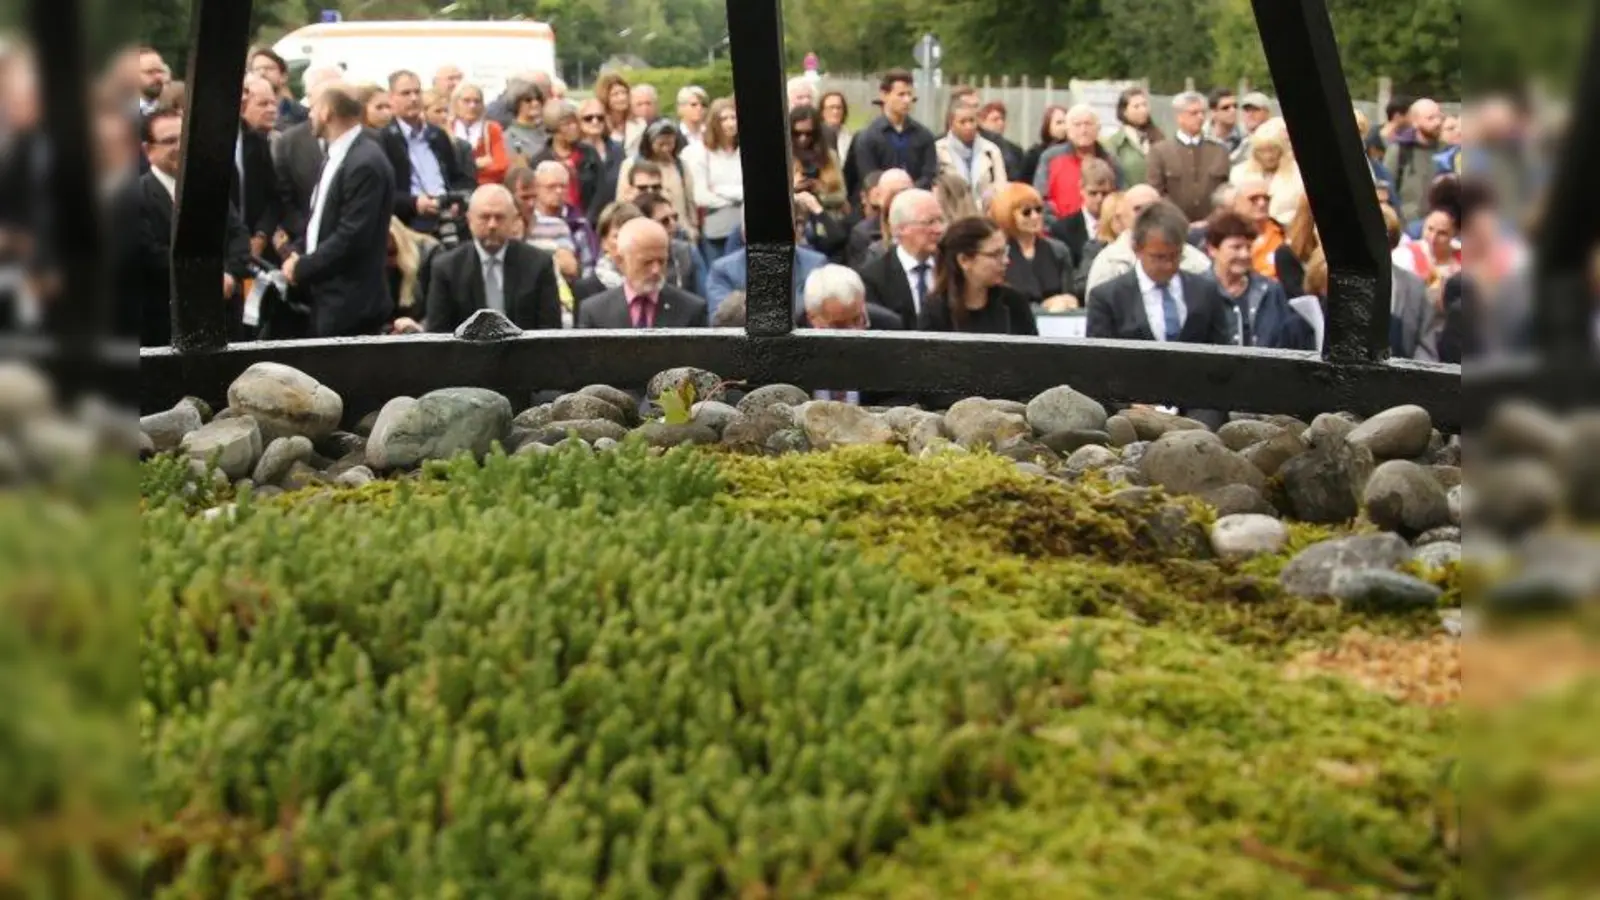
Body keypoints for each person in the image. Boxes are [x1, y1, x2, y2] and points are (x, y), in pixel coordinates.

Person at [122, 105, 250, 346]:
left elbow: (238, 235)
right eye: (170, 141)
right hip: (164, 326)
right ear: (148, 150)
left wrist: (230, 275)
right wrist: (206, 281)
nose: (181, 147)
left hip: (223, 322)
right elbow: (151, 254)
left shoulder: (210, 187)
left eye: (185, 138)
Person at [281, 83, 398, 338]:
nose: (309, 114)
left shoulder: (364, 161)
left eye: (313, 107)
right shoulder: (339, 154)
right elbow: (321, 219)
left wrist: (302, 267)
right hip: (327, 295)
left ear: (326, 111)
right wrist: (298, 252)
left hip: (352, 302)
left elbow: (352, 236)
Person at [1086, 200, 1234, 346]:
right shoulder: (1108, 299)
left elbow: (1222, 350)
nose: (1169, 265)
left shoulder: (1205, 292)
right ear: (1137, 249)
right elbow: (1100, 357)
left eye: (1176, 256)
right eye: (1159, 257)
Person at [423, 183, 562, 332]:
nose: (492, 225)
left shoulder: (538, 265)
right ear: (469, 219)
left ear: (513, 220)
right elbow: (438, 335)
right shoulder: (447, 269)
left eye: (499, 217)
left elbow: (550, 332)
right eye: (485, 217)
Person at [381, 70, 475, 233]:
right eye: (405, 93)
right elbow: (382, 193)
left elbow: (457, 177)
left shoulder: (437, 135)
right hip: (409, 222)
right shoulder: (383, 140)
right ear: (391, 98)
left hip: (447, 215)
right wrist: (414, 203)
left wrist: (456, 200)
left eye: (417, 92)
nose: (413, 98)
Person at [1200, 209, 1305, 349]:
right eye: (1236, 247)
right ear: (1212, 249)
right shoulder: (1198, 291)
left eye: (1249, 247)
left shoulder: (1271, 291)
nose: (1244, 254)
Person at [576, 218, 708, 328]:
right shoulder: (595, 312)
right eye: (647, 262)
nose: (656, 270)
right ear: (621, 261)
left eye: (662, 261)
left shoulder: (691, 310)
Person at [921, 217, 1039, 335]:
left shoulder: (1014, 303)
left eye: (1005, 252)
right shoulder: (936, 311)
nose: (1005, 261)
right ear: (964, 260)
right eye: (995, 255)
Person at [856, 188, 947, 329]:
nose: (939, 229)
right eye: (930, 222)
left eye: (941, 220)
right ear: (901, 228)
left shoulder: (951, 267)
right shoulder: (874, 277)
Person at [989, 183, 1076, 311]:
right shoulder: (997, 255)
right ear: (1007, 215)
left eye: (1038, 210)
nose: (1035, 216)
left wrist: (1067, 301)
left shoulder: (1059, 251)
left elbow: (1070, 294)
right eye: (1026, 212)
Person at [851, 69, 938, 191]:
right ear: (884, 95)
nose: (907, 100)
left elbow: (929, 175)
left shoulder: (924, 136)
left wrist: (909, 192)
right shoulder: (868, 137)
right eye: (901, 95)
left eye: (909, 94)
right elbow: (868, 177)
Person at [681, 98, 743, 263]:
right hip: (716, 227)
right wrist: (736, 200)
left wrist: (721, 190)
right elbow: (701, 196)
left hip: (744, 226)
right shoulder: (698, 152)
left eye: (733, 117)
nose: (730, 123)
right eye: (724, 119)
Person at [936, 102, 1007, 205]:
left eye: (972, 121)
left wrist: (985, 197)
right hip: (951, 209)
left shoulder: (991, 150)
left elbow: (1000, 186)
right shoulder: (939, 150)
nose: (968, 126)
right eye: (963, 122)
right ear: (951, 124)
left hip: (984, 209)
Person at [1102, 86, 1163, 188]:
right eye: (1136, 107)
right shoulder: (1115, 144)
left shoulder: (1158, 137)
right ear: (1124, 111)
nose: (1143, 110)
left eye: (1144, 105)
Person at [452, 82, 510, 187]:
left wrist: (465, 167)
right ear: (456, 103)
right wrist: (477, 164)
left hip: (485, 187)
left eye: (477, 101)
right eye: (466, 101)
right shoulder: (447, 128)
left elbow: (501, 166)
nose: (472, 106)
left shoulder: (492, 129)